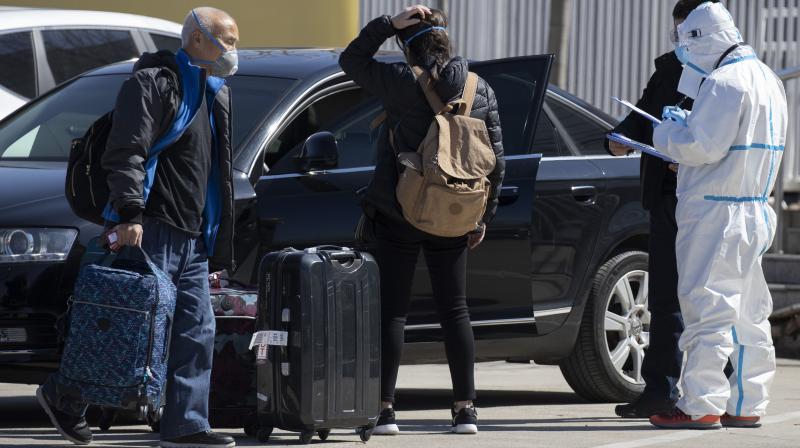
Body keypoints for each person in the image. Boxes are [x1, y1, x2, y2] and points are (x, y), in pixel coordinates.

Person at [36, 7, 239, 447]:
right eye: (228, 40)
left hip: (191, 234)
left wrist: (215, 235)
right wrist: (129, 214)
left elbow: (214, 171)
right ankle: (65, 396)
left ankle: (186, 423)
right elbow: (126, 151)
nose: (233, 50)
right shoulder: (153, 83)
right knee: (130, 329)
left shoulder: (214, 91)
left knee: (196, 330)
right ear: (198, 39)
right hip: (152, 226)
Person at [339, 4, 505, 436]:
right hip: (456, 212)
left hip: (400, 210)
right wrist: (481, 216)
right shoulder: (478, 87)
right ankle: (465, 409)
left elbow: (351, 60)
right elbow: (496, 161)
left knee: (393, 311)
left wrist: (387, 25)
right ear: (448, 43)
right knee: (455, 309)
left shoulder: (399, 82)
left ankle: (385, 411)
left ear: (407, 48)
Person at [648, 1, 787, 429]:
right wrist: (691, 126)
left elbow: (703, 148)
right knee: (749, 313)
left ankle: (700, 405)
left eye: (684, 42)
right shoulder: (766, 77)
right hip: (754, 208)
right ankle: (747, 403)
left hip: (715, 213)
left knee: (706, 309)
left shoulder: (724, 82)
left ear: (701, 38)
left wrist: (670, 130)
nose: (682, 53)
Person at [607, 0, 719, 419]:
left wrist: (688, 152)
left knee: (706, 300)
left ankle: (714, 389)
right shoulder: (669, 68)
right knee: (666, 298)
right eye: (677, 33)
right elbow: (642, 115)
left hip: (704, 199)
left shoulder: (725, 76)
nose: (681, 42)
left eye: (686, 33)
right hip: (664, 198)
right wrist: (619, 136)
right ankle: (659, 389)